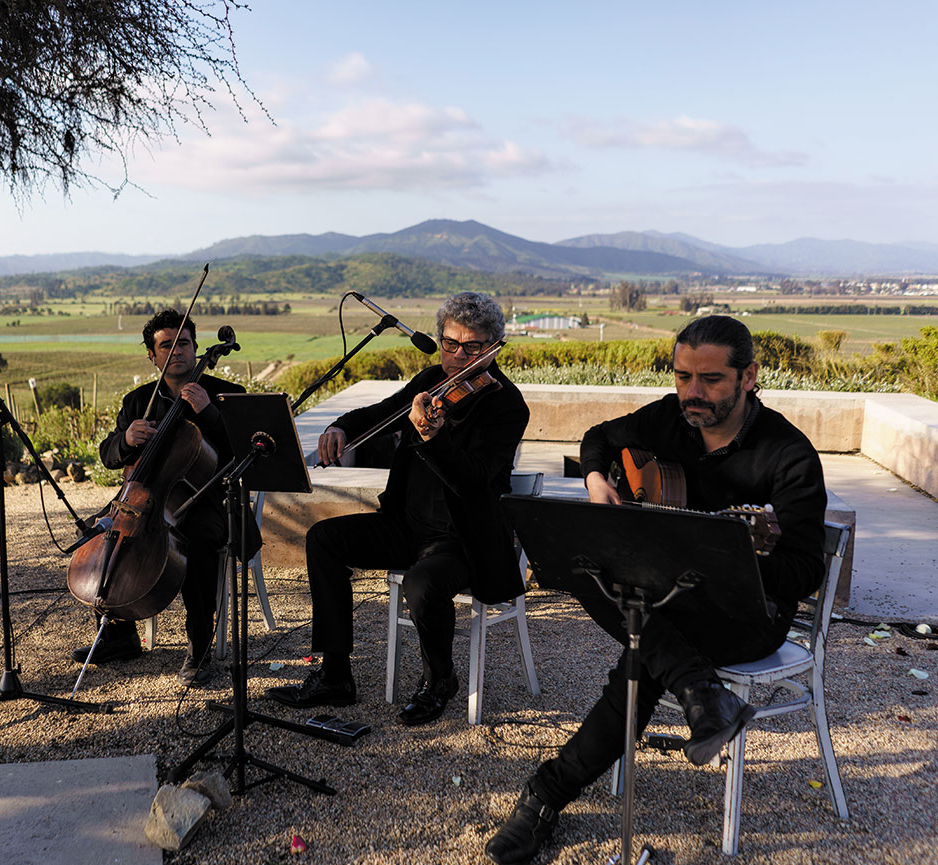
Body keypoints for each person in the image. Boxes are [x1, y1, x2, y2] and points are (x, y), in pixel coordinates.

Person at [485, 315, 828, 864]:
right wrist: (599, 481)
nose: (693, 393)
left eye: (711, 379)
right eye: (682, 376)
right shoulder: (670, 420)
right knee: (586, 569)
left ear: (749, 377)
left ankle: (545, 796)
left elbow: (804, 574)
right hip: (672, 594)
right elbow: (599, 439)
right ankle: (698, 693)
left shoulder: (788, 455)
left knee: (643, 650)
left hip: (750, 613)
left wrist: (740, 556)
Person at [266, 292, 530, 726]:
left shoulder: (505, 404)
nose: (457, 356)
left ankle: (439, 680)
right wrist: (343, 425)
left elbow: (472, 479)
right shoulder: (430, 379)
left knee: (422, 585)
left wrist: (433, 436)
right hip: (407, 527)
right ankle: (335, 675)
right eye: (449, 343)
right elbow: (385, 412)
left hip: (462, 540)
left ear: (493, 346)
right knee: (324, 540)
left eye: (472, 347)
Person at [71, 309, 249, 686]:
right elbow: (107, 456)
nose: (176, 351)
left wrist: (210, 413)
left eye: (183, 343)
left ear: (196, 348)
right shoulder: (138, 402)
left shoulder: (227, 395)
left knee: (197, 543)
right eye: (166, 345)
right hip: (145, 501)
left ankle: (199, 648)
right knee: (100, 532)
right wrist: (126, 439)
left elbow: (249, 451)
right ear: (152, 356)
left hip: (209, 502)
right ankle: (120, 635)